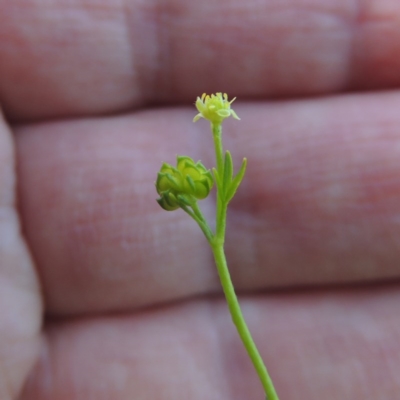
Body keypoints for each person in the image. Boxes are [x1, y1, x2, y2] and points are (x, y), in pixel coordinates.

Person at [1, 1, 400, 399]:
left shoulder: (214, 166)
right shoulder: (199, 189)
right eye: (213, 106)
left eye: (218, 106)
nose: (215, 105)